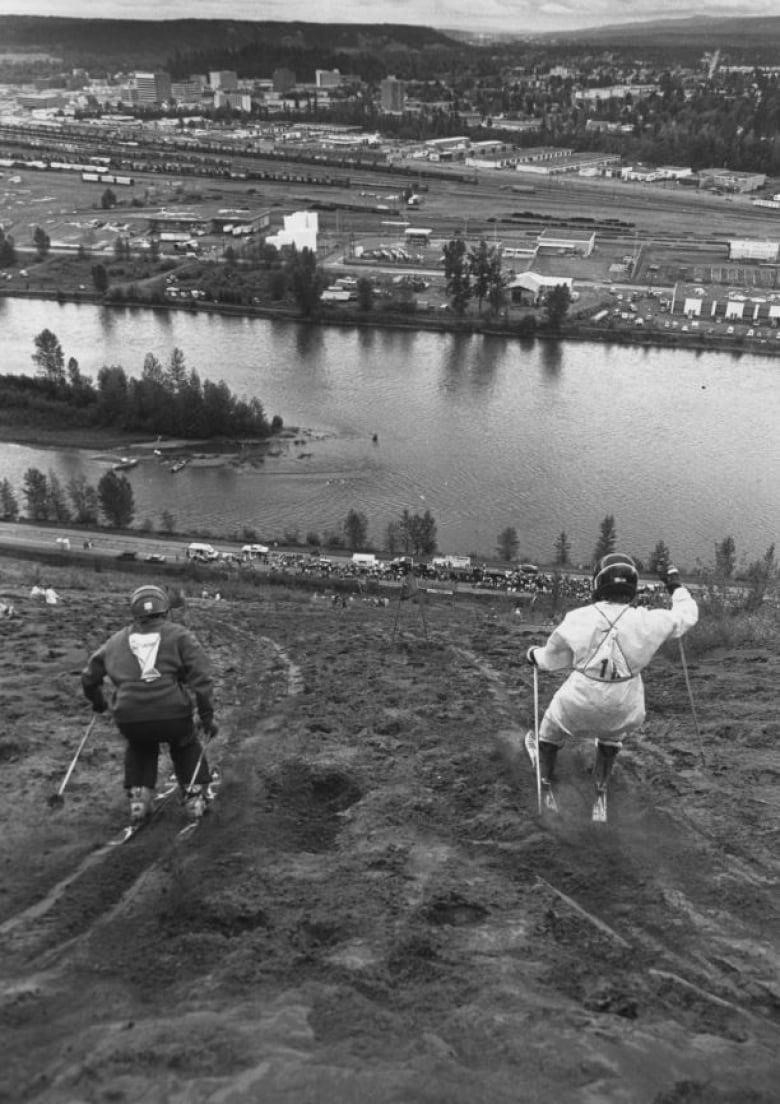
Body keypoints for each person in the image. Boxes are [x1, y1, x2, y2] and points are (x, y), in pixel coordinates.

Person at [525, 553, 698, 817]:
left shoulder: (578, 617)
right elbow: (687, 615)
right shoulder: (649, 620)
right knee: (612, 735)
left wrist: (532, 655)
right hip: (625, 705)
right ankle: (600, 790)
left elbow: (551, 660)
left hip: (579, 701)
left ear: (598, 583)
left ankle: (545, 783)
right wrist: (674, 584)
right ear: (632, 587)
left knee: (550, 730)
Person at [81, 584, 218, 825]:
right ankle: (195, 796)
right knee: (185, 743)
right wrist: (207, 717)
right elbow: (202, 679)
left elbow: (89, 677)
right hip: (173, 715)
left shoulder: (115, 641)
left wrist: (99, 702)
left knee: (140, 745)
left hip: (129, 716)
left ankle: (138, 798)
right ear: (165, 610)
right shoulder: (180, 635)